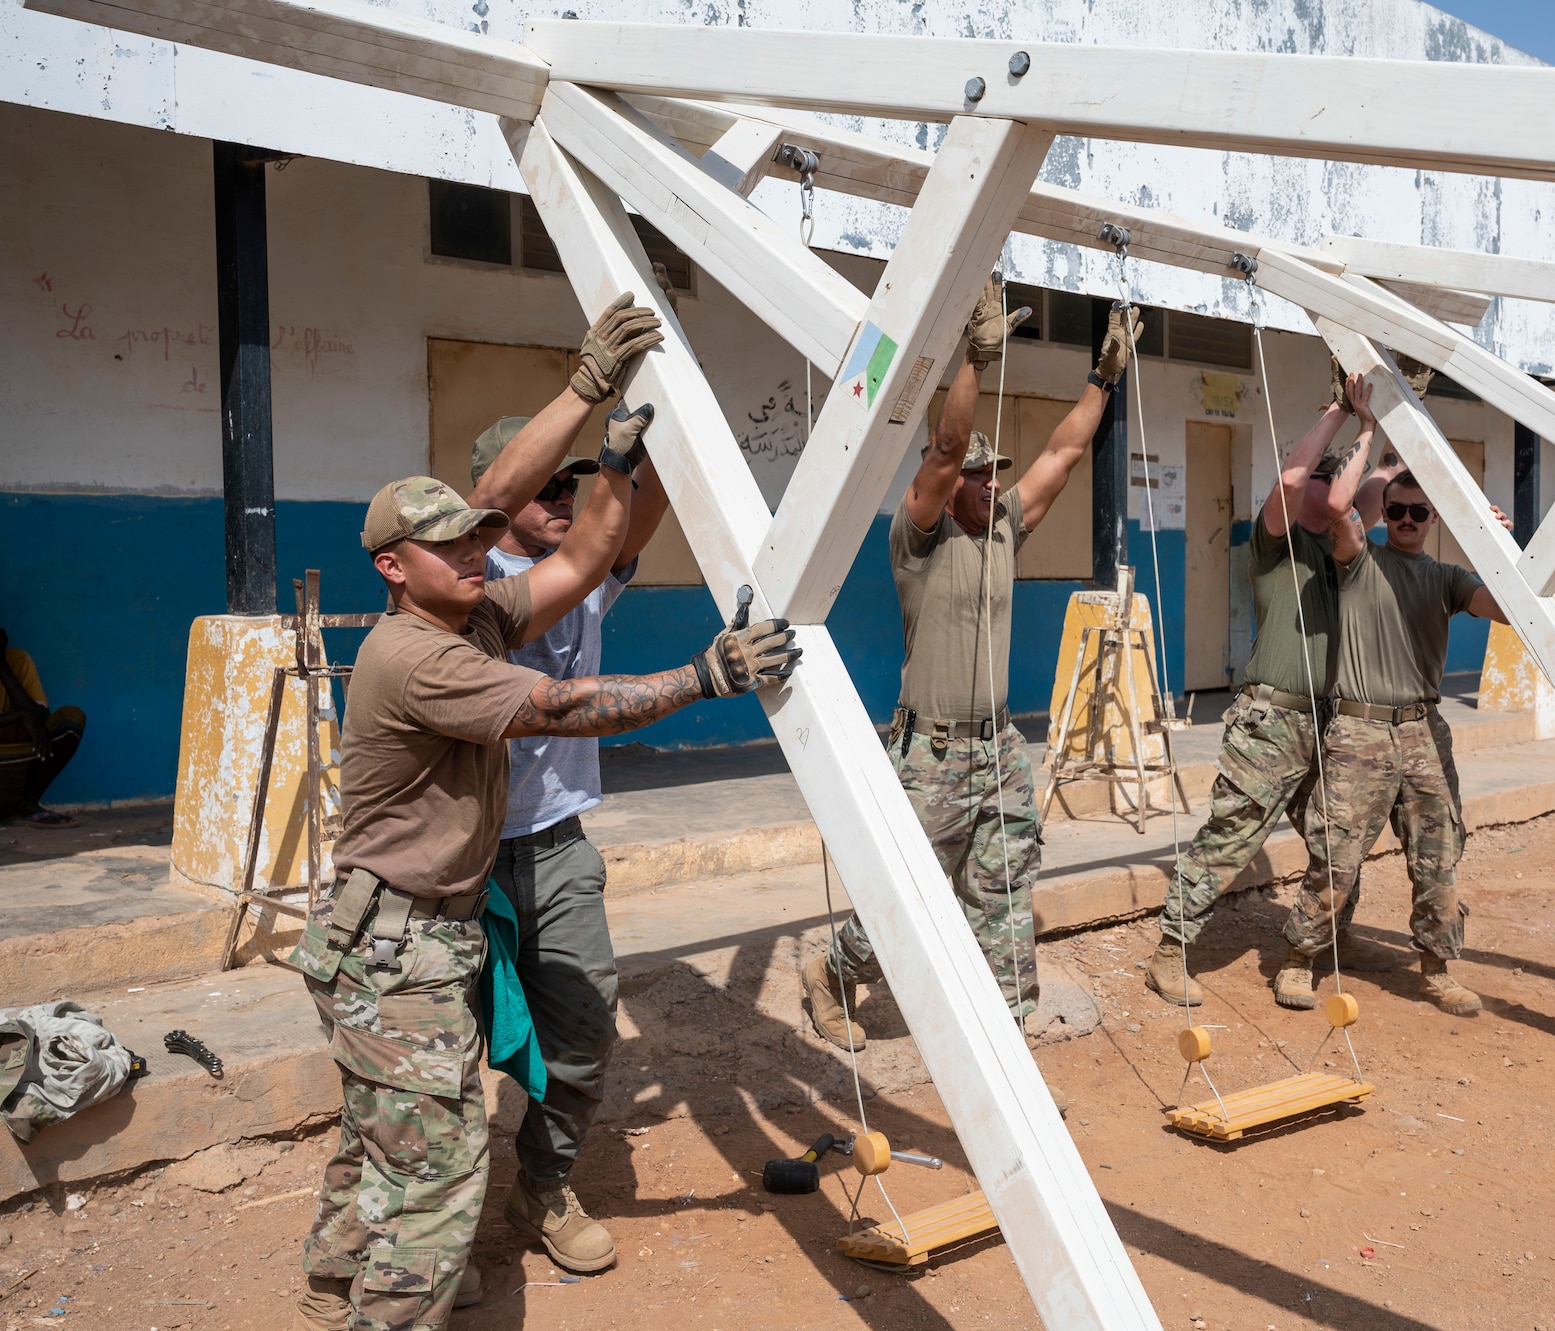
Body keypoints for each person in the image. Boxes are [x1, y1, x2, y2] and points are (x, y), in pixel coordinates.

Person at [290, 295, 801, 1331]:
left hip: (428, 913)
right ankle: (388, 1293)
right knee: (431, 1168)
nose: (476, 552)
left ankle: (335, 1272)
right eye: (453, 544)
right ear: (392, 566)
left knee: (396, 1119)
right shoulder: (421, 655)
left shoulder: (473, 611)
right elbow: (559, 705)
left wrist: (616, 462)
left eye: (478, 538)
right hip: (399, 934)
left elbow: (575, 565)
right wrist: (702, 676)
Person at [803, 280, 1136, 1068]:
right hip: (932, 757)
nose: (991, 484)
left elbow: (1064, 451)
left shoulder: (1005, 532)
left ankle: (1004, 1040)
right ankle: (833, 969)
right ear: (946, 488)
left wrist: (1104, 379)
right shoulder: (917, 541)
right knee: (908, 901)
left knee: (1007, 890)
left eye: (994, 476)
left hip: (998, 753)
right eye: (977, 477)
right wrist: (977, 358)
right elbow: (946, 448)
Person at [457, 400, 670, 1277]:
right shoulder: (465, 591)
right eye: (541, 485)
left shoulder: (577, 576)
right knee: (446, 1060)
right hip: (460, 863)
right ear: (497, 498)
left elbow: (630, 519)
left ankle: (541, 1186)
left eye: (568, 486)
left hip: (554, 846)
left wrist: (669, 436)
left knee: (583, 1032)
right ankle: (444, 1229)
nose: (560, 498)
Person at [1142, 376, 1410, 1008]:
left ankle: (1314, 947)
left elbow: (1374, 485)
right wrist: (1343, 411)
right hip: (1272, 722)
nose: (1330, 480)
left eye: (1335, 475)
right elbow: (1292, 482)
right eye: (1325, 473)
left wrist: (1385, 414)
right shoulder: (1276, 543)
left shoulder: (1346, 547)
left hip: (1333, 722)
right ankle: (1170, 950)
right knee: (1233, 838)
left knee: (1336, 841)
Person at [1295, 452, 1512, 1017]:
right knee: (1335, 856)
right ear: (1385, 513)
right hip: (1359, 729)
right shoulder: (1359, 560)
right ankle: (1301, 959)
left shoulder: (1446, 579)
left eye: (1420, 511)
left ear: (1434, 517)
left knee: (1438, 856)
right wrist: (1379, 446)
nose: (1409, 519)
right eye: (1398, 510)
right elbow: (1341, 509)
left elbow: (1509, 611)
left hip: (1423, 732)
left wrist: (1493, 542)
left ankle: (1436, 970)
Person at [0, 630, 86, 827]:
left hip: (14, 758)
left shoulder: (17, 659)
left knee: (70, 720)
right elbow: (27, 715)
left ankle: (28, 805)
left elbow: (39, 714)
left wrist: (2, 665)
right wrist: (19, 716)